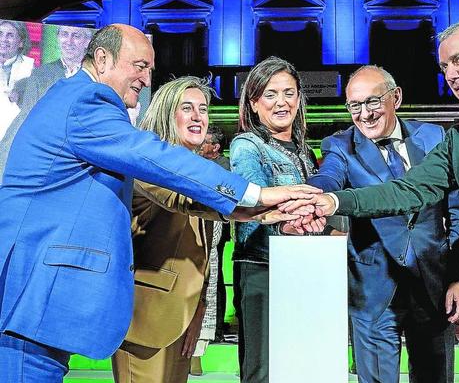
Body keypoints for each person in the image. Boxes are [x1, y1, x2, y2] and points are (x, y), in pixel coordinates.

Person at [0, 23, 319, 383]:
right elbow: (152, 159)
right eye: (139, 65)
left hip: (44, 300)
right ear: (102, 59)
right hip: (35, 295)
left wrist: (256, 210)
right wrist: (254, 194)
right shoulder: (88, 100)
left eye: (150, 69)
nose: (146, 78)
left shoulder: (74, 100)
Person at [284, 16, 459, 383]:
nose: (450, 73)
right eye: (444, 66)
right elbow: (406, 191)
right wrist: (330, 202)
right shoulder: (458, 142)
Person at [307, 65, 459, 383]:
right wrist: (311, 194)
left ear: (395, 97)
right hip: (374, 292)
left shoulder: (434, 136)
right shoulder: (340, 146)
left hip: (433, 287)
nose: (364, 114)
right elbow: (327, 177)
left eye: (372, 102)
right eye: (354, 106)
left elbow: (458, 215)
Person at [111, 76, 224, 383]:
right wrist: (265, 204)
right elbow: (184, 200)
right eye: (186, 108)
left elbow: (205, 251)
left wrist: (200, 307)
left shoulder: (197, 167)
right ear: (165, 112)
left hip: (182, 315)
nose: (198, 116)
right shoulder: (149, 160)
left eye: (202, 109)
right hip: (146, 318)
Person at [230, 56, 324, 383]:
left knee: (299, 364)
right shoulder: (246, 144)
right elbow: (252, 201)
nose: (281, 102)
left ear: (299, 99)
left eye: (288, 93)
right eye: (270, 94)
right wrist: (288, 222)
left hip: (304, 265)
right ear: (254, 103)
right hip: (262, 267)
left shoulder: (304, 151)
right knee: (262, 368)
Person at [0, 25, 93, 175]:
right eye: (64, 34)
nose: (69, 41)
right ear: (57, 38)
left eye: (76, 35)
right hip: (48, 159)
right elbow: (26, 117)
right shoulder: (40, 74)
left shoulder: (96, 74)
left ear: (87, 41)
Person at [199, 125, 231, 343]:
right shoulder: (201, 163)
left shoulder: (224, 167)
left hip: (218, 227)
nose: (202, 145)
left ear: (216, 147)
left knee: (215, 277)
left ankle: (217, 328)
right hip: (202, 226)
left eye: (206, 142)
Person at [0, 20, 33, 140]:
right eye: (0, 34)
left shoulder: (31, 67)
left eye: (10, 35)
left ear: (20, 42)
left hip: (17, 134)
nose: (3, 39)